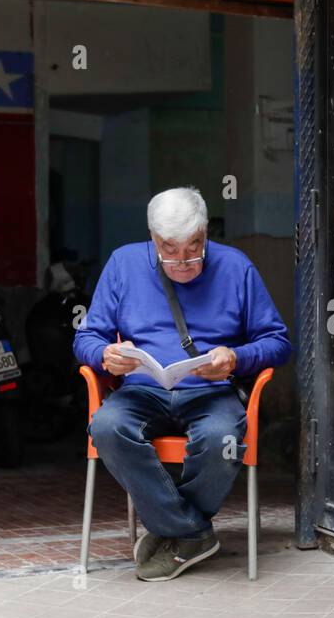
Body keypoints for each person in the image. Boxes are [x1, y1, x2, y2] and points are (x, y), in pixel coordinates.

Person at [73, 187, 292, 581]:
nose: (184, 261)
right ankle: (191, 533)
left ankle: (170, 529)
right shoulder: (124, 264)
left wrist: (236, 359)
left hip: (211, 392)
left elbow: (278, 342)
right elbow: (85, 338)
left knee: (219, 438)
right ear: (152, 238)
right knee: (106, 427)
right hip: (142, 389)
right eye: (170, 249)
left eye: (195, 246)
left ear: (206, 232)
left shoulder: (236, 267)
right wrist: (104, 355)